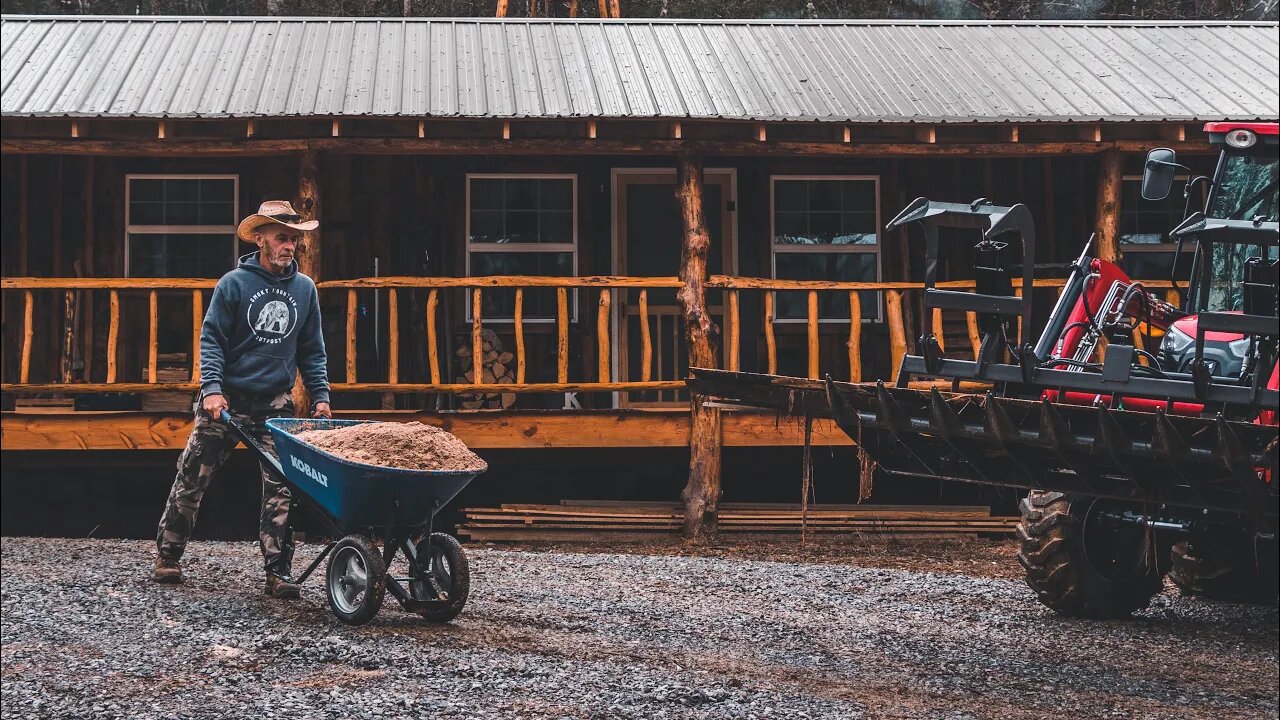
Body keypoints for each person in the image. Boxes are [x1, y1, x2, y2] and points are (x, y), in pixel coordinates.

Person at [152, 200, 332, 598]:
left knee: (283, 484)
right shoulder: (233, 284)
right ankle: (168, 555)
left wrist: (320, 396)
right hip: (227, 400)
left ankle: (278, 572)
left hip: (274, 403)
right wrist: (212, 390)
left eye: (295, 239)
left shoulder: (304, 289)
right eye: (282, 238)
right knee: (193, 476)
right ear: (260, 239)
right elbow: (212, 338)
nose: (290, 246)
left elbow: (312, 349)